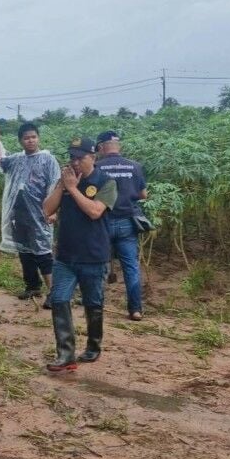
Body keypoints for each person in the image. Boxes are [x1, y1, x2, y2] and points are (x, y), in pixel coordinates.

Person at [42, 137, 117, 371]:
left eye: (80, 157)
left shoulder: (106, 182)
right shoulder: (65, 181)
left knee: (93, 303)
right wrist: (62, 187)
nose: (74, 162)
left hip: (94, 255)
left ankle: (93, 346)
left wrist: (73, 189)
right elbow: (46, 209)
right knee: (59, 299)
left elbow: (95, 212)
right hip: (65, 255)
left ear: (92, 157)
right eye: (72, 157)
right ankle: (66, 354)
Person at [0, 122, 62, 303]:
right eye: (26, 138)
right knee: (25, 252)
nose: (30, 141)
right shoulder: (16, 159)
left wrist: (53, 210)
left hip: (40, 214)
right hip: (19, 214)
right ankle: (32, 286)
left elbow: (54, 185)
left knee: (43, 252)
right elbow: (0, 161)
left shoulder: (48, 160)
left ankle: (54, 293)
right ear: (20, 141)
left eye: (33, 137)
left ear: (38, 138)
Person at [95, 131, 149, 320]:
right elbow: (143, 195)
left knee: (99, 264)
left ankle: (97, 306)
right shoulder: (135, 166)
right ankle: (135, 309)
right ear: (119, 146)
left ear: (101, 147)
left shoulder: (96, 166)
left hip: (103, 222)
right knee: (131, 267)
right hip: (128, 222)